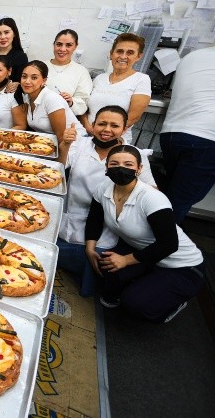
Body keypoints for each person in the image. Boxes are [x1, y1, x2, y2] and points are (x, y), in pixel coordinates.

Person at [85, 145, 205, 323]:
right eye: (114, 164)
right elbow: (94, 219)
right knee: (105, 265)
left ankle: (173, 303)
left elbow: (169, 244)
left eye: (128, 164)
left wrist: (126, 260)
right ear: (106, 167)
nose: (121, 168)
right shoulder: (104, 188)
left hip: (182, 266)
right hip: (146, 253)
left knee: (135, 303)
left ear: (139, 168)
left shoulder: (152, 198)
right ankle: (144, 282)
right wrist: (90, 249)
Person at [56, 106, 155, 297]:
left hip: (105, 226)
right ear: (93, 125)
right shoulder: (81, 143)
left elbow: (153, 191)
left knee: (97, 259)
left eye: (114, 126)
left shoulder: (133, 154)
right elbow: (58, 170)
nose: (107, 129)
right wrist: (65, 146)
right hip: (69, 217)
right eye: (102, 124)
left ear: (125, 129)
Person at [160, 46, 215, 224]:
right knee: (179, 202)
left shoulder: (193, 56)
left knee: (170, 195)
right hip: (206, 138)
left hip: (171, 134)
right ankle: (157, 240)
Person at [84, 33, 151, 143]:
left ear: (139, 56)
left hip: (115, 140)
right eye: (119, 51)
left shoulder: (141, 80)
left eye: (130, 53)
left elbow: (134, 116)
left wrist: (104, 133)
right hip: (87, 136)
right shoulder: (100, 78)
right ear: (111, 54)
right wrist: (87, 126)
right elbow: (84, 107)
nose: (123, 56)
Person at [21, 60, 78, 143]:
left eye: (34, 78)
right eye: (24, 76)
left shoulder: (52, 99)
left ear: (44, 81)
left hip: (72, 145)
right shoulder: (26, 97)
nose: (27, 81)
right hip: (44, 143)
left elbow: (61, 137)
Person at [46, 29, 92, 117]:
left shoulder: (81, 72)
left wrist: (71, 102)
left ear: (75, 46)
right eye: (59, 44)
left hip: (64, 121)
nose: (62, 49)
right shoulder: (40, 66)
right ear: (54, 44)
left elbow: (83, 104)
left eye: (69, 45)